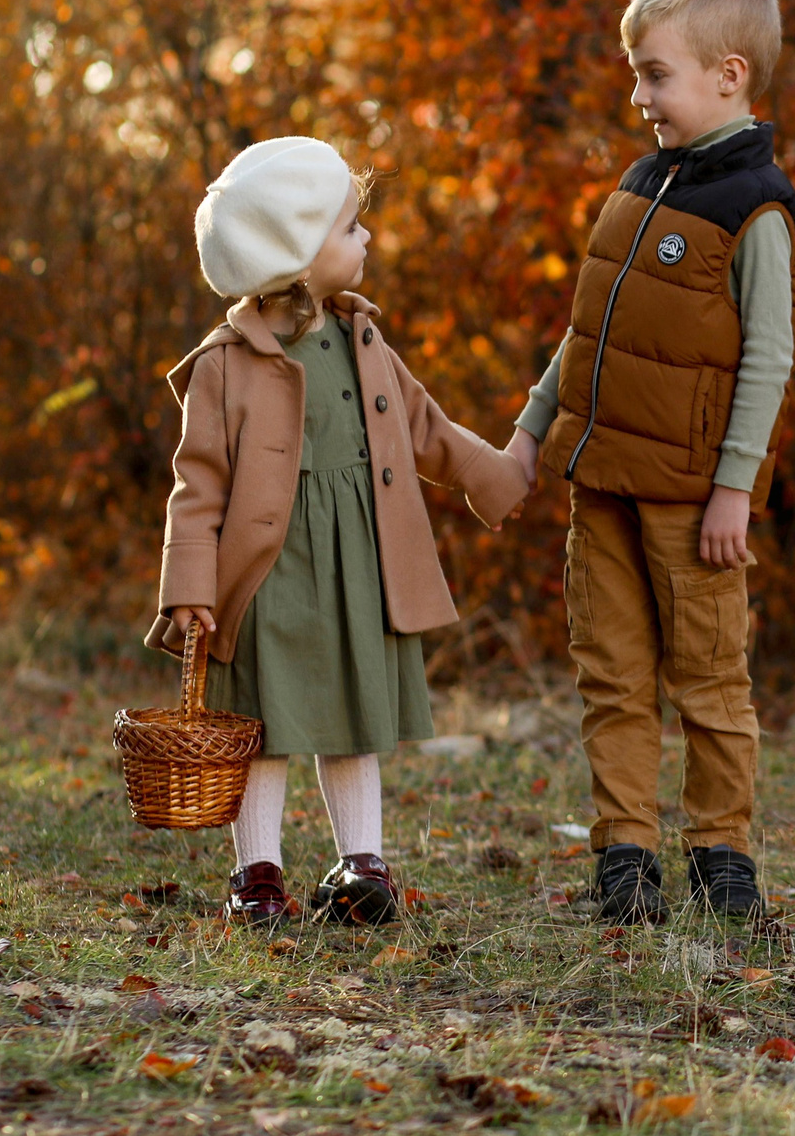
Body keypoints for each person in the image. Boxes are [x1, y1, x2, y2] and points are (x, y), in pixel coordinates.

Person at [152, 137, 530, 927]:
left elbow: (426, 427)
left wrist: (496, 475)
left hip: (360, 559)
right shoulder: (228, 364)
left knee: (352, 713)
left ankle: (363, 864)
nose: (367, 239)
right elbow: (198, 483)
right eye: (351, 226)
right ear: (295, 248)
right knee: (260, 722)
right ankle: (256, 874)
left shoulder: (362, 340)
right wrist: (189, 587)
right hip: (268, 569)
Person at [505, 0, 795, 925]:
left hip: (690, 500)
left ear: (729, 75)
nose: (639, 95)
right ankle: (623, 860)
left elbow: (767, 359)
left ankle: (723, 859)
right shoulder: (643, 184)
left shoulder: (755, 206)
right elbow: (584, 333)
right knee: (613, 674)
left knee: (710, 681)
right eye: (635, 74)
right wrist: (529, 429)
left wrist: (734, 491)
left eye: (655, 74)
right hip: (601, 484)